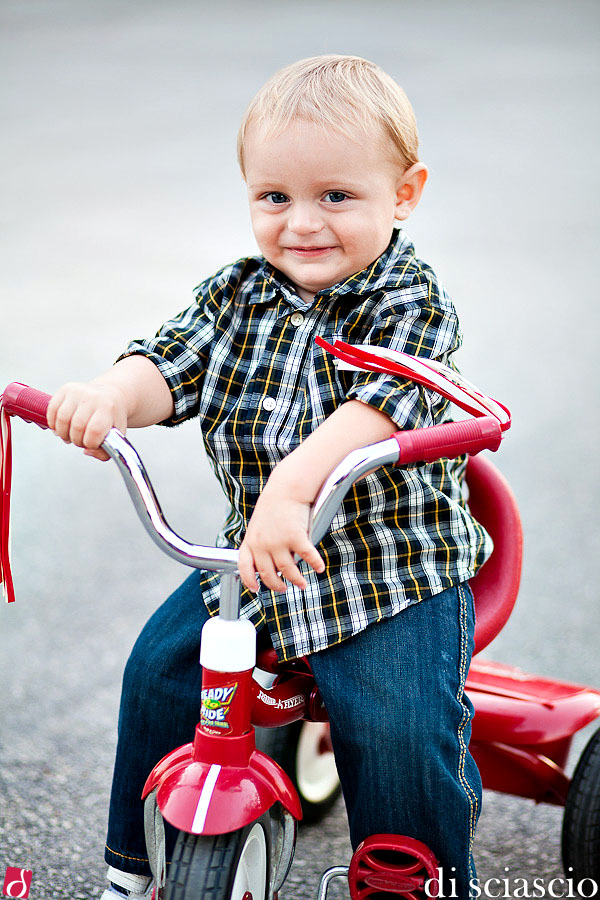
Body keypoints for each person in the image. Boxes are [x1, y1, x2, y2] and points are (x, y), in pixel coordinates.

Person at [47, 55, 489, 899]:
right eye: (274, 198)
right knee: (160, 672)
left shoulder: (410, 299)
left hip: (389, 570)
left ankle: (414, 880)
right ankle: (132, 870)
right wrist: (111, 394)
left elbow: (385, 404)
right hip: (256, 565)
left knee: (395, 726)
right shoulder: (236, 295)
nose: (302, 224)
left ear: (404, 193)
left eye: (336, 196)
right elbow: (168, 366)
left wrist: (290, 486)